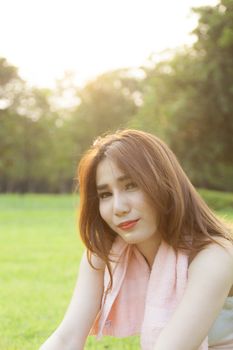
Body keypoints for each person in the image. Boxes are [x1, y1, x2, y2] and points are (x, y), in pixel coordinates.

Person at [39, 129, 233, 350]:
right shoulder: (105, 254)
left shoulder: (215, 256)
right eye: (105, 194)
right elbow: (66, 338)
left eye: (131, 186)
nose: (119, 207)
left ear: (164, 183)